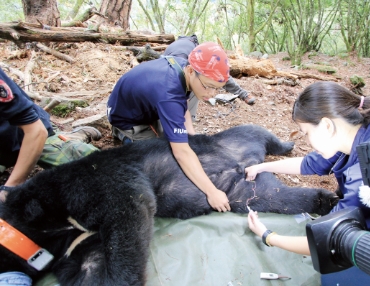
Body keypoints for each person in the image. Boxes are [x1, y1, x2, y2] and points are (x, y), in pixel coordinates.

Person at [245, 81, 370, 285]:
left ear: (327, 125)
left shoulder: (368, 175)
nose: (307, 141)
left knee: (334, 275)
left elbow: (329, 240)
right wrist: (262, 167)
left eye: (306, 133)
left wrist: (268, 235)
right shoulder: (364, 134)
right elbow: (310, 163)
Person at [0, 69, 102, 285]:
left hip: (29, 137)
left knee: (97, 166)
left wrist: (10, 188)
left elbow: (35, 131)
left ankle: (75, 135)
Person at [107, 42, 231, 213]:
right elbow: (181, 152)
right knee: (162, 163)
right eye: (208, 86)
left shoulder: (181, 68)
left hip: (146, 105)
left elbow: (183, 103)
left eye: (217, 89)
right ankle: (123, 136)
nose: (211, 94)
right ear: (190, 71)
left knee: (181, 145)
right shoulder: (168, 94)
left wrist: (192, 140)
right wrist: (212, 192)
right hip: (128, 119)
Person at [163, 34, 256, 121]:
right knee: (194, 85)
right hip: (170, 76)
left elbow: (220, 75)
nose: (212, 93)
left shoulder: (204, 54)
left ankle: (188, 124)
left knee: (198, 85)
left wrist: (243, 94)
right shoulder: (179, 62)